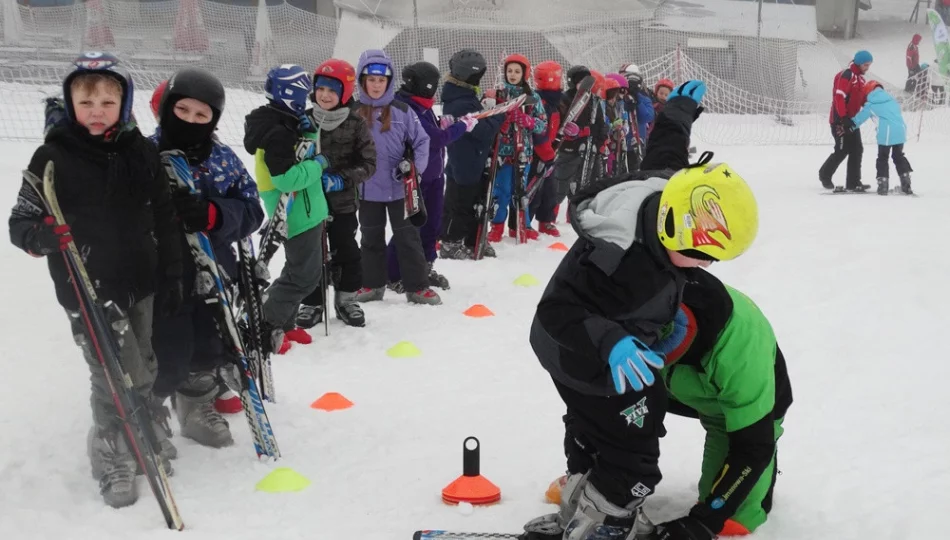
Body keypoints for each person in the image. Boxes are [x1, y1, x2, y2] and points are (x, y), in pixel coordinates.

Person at [521, 80, 760, 540]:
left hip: (608, 350)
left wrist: (681, 109)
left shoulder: (667, 194)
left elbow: (666, 148)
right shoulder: (618, 257)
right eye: (702, 254)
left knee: (597, 429)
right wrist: (610, 343)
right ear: (675, 230)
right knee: (637, 458)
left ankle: (583, 504)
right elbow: (556, 311)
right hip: (585, 353)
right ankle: (607, 520)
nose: (705, 267)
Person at [8, 52, 183, 508]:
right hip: (88, 286)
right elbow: (20, 222)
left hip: (141, 278)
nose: (97, 110)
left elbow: (164, 215)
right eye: (86, 102)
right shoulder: (52, 155)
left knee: (143, 360)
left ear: (123, 104)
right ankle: (111, 445)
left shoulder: (140, 150)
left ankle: (144, 423)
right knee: (110, 370)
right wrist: (44, 235)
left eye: (108, 100)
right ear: (70, 104)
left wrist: (174, 269)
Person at [545, 269, 793, 539]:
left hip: (724, 399)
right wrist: (580, 462)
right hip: (663, 380)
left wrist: (706, 521)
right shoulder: (626, 313)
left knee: (733, 519)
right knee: (608, 406)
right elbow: (589, 394)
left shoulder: (742, 356)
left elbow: (753, 445)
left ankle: (751, 494)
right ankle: (594, 483)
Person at [149, 67, 264, 449]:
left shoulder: (222, 158)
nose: (191, 121)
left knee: (208, 340)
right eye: (183, 111)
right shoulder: (145, 156)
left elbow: (251, 208)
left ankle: (196, 405)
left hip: (211, 266)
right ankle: (148, 409)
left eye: (202, 115)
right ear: (167, 109)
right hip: (158, 270)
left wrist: (214, 214)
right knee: (163, 344)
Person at [244, 64, 331, 351]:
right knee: (303, 278)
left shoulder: (285, 120)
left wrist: (305, 132)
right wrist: (317, 166)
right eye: (304, 93)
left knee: (301, 272)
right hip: (295, 212)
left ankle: (285, 324)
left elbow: (297, 155)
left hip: (308, 211)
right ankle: (263, 325)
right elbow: (286, 179)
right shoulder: (276, 130)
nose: (307, 98)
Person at [353, 49, 440, 305]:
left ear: (389, 82)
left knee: (408, 239)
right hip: (367, 189)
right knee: (371, 238)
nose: (376, 85)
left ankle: (417, 287)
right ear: (362, 81)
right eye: (371, 80)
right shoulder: (354, 112)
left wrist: (414, 170)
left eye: (381, 81)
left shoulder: (402, 111)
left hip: (401, 189)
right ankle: (372, 284)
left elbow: (422, 141)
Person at [295, 58, 377, 329]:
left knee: (346, 250)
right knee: (311, 252)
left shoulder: (355, 123)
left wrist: (341, 180)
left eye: (332, 90)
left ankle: (346, 299)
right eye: (321, 89)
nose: (325, 95)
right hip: (309, 203)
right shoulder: (304, 120)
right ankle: (312, 301)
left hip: (341, 203)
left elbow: (368, 164)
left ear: (344, 93)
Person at [386, 61, 475, 291]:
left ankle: (424, 266)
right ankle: (393, 273)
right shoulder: (407, 107)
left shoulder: (421, 105)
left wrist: (443, 124)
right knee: (409, 228)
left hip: (434, 176)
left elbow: (434, 133)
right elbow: (435, 139)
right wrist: (461, 127)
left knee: (432, 225)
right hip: (416, 179)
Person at [439, 48, 506, 260]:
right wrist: (499, 114)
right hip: (465, 162)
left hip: (468, 159)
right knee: (461, 206)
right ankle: (450, 242)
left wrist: (487, 107)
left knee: (472, 203)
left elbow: (479, 119)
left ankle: (471, 239)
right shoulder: (461, 103)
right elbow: (483, 131)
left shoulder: (462, 97)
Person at [486, 53, 548, 243]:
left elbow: (542, 125)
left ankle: (521, 225)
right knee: (502, 190)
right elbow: (488, 118)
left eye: (517, 71)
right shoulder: (499, 94)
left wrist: (527, 120)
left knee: (520, 191)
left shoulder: (532, 97)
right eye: (509, 71)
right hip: (503, 153)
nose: (512, 75)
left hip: (524, 152)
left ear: (524, 74)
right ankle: (496, 226)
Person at [551, 65, 607, 210]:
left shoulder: (593, 101)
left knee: (582, 182)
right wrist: (566, 130)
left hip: (587, 148)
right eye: (580, 81)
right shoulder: (565, 98)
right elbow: (558, 120)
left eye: (587, 81)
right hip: (568, 147)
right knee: (561, 181)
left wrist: (600, 141)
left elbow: (600, 123)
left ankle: (574, 211)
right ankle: (551, 214)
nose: (584, 84)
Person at [818, 50, 872, 192]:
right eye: (866, 65)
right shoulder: (846, 75)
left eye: (869, 65)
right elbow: (839, 97)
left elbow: (861, 100)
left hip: (852, 121)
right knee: (842, 150)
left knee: (857, 149)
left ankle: (853, 182)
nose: (868, 68)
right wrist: (843, 117)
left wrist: (873, 106)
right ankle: (824, 175)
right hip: (840, 120)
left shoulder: (860, 79)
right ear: (859, 63)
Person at [852, 81, 913, 195]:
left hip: (886, 134)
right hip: (900, 131)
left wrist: (848, 127)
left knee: (882, 158)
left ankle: (883, 185)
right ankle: (906, 183)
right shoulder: (892, 101)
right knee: (898, 156)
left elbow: (859, 119)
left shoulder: (871, 105)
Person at [528, 60, 564, 237]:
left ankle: (546, 221)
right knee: (535, 190)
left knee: (550, 189)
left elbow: (558, 125)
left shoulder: (556, 101)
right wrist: (546, 154)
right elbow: (538, 131)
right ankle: (525, 222)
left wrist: (570, 133)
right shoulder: (539, 102)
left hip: (551, 151)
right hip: (537, 154)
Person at [618, 63, 656, 171]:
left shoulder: (643, 97)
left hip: (638, 142)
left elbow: (647, 117)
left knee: (637, 168)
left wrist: (637, 102)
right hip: (621, 142)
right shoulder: (619, 97)